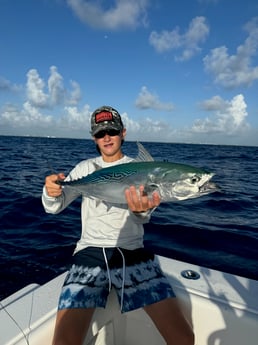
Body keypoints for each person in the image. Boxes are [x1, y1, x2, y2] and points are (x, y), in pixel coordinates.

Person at [42, 105, 194, 345]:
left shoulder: (141, 168)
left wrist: (141, 211)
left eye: (112, 131)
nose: (107, 138)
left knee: (183, 338)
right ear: (94, 137)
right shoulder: (85, 168)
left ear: (123, 132)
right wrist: (51, 191)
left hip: (133, 252)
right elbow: (54, 207)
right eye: (101, 134)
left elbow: (143, 215)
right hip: (89, 254)